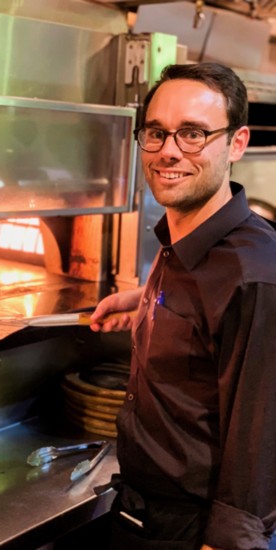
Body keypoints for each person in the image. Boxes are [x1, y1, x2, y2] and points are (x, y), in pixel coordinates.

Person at [89, 62, 276, 549]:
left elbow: (260, 438)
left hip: (194, 532)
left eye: (193, 134)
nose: (169, 151)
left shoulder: (255, 276)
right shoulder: (184, 239)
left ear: (236, 143)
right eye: (156, 132)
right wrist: (150, 302)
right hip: (141, 511)